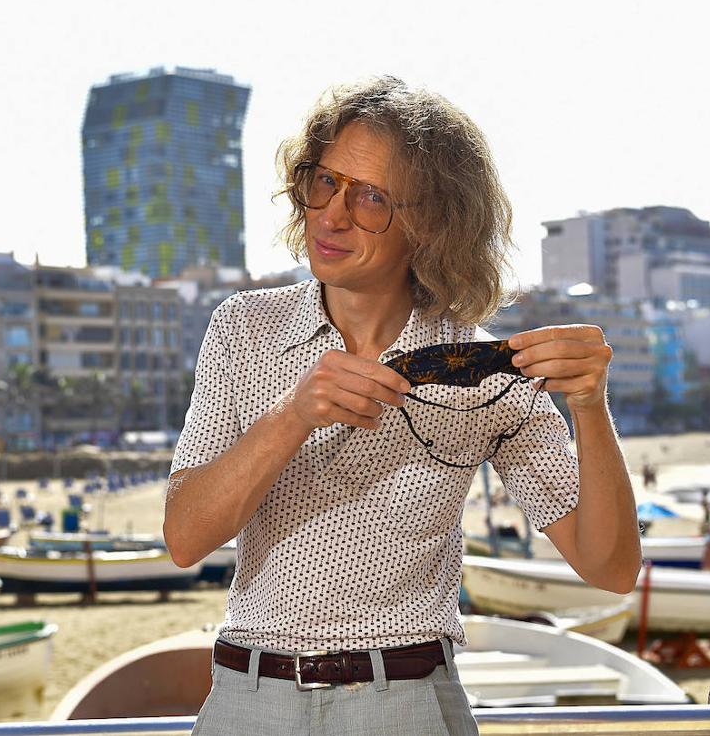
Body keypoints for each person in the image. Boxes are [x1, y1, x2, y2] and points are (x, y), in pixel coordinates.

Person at [162, 76, 641, 735]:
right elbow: (185, 537)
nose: (332, 214)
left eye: (371, 197)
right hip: (251, 704)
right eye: (323, 181)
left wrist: (589, 405)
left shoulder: (484, 374)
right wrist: (294, 414)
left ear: (432, 224)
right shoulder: (244, 328)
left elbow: (610, 567)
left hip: (406, 706)